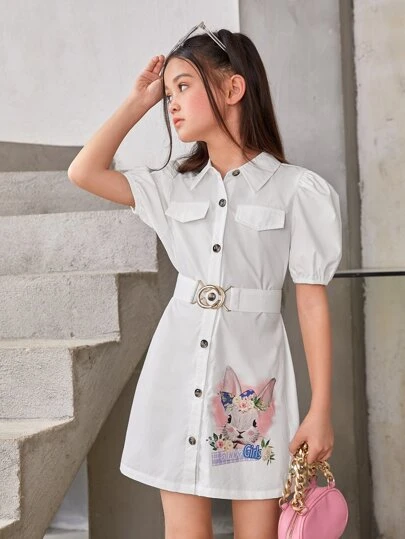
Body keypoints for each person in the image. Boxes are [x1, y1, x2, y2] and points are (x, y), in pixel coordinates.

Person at [68, 22, 342, 539]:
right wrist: (139, 101)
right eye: (168, 92)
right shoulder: (174, 187)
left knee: (258, 531)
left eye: (183, 86)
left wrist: (321, 409)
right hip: (178, 372)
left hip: (249, 394)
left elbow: (311, 304)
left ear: (233, 89)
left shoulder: (297, 191)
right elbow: (83, 171)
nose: (171, 103)